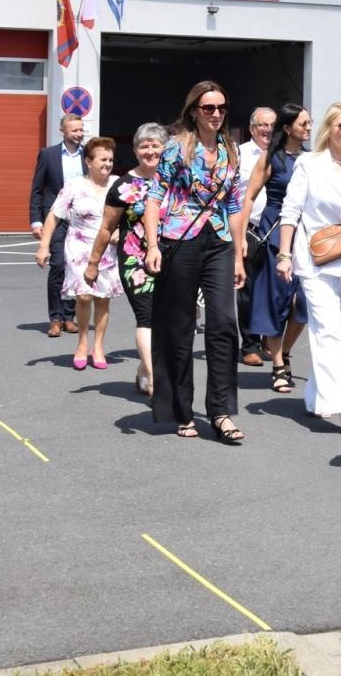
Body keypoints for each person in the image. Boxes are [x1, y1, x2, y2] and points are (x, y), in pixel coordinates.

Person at [141, 81, 248, 445]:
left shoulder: (231, 151)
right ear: (194, 111)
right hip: (179, 239)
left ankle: (219, 412)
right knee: (180, 328)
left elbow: (234, 205)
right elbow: (154, 196)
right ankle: (182, 410)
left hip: (217, 240)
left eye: (221, 108)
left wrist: (238, 253)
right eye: (208, 108)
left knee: (222, 324)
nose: (216, 114)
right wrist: (152, 244)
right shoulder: (176, 149)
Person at [274, 102, 341, 429]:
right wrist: (285, 254)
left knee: (340, 333)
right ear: (329, 130)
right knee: (328, 329)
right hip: (315, 258)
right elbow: (290, 211)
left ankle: (316, 396)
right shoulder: (310, 163)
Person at [85, 122, 167, 395]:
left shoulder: (177, 180)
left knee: (168, 320)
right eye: (144, 146)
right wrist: (93, 263)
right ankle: (155, 378)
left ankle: (144, 370)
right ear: (135, 151)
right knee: (147, 317)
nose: (151, 151)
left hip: (175, 259)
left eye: (156, 145)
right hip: (136, 261)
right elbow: (107, 228)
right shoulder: (124, 186)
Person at [34, 136, 124, 370]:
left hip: (107, 247)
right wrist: (44, 246)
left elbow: (133, 215)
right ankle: (83, 342)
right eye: (103, 159)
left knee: (103, 298)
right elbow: (54, 215)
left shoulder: (118, 184)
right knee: (84, 295)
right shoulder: (74, 185)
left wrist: (121, 231)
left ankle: (99, 346)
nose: (107, 164)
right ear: (88, 162)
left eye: (111, 159)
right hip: (79, 245)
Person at [242, 103, 312, 395]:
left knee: (303, 304)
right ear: (287, 128)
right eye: (303, 124)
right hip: (273, 233)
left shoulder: (313, 160)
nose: (309, 129)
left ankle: (281, 352)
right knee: (274, 302)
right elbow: (248, 198)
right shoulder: (271, 158)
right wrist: (242, 238)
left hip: (305, 236)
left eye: (310, 124)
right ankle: (280, 366)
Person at [29, 114, 86, 338]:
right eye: (74, 130)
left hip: (80, 218)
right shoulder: (48, 154)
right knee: (59, 265)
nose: (79, 134)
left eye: (81, 130)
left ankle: (70, 318)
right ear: (62, 131)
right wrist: (36, 221)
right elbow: (37, 189)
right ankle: (55, 318)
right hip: (55, 217)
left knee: (76, 267)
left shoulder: (88, 155)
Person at [235, 107, 276, 367]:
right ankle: (249, 345)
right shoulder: (239, 154)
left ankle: (268, 340)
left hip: (275, 229)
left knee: (272, 287)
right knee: (248, 290)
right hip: (248, 228)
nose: (268, 129)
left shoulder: (281, 154)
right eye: (263, 125)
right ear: (252, 128)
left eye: (273, 125)